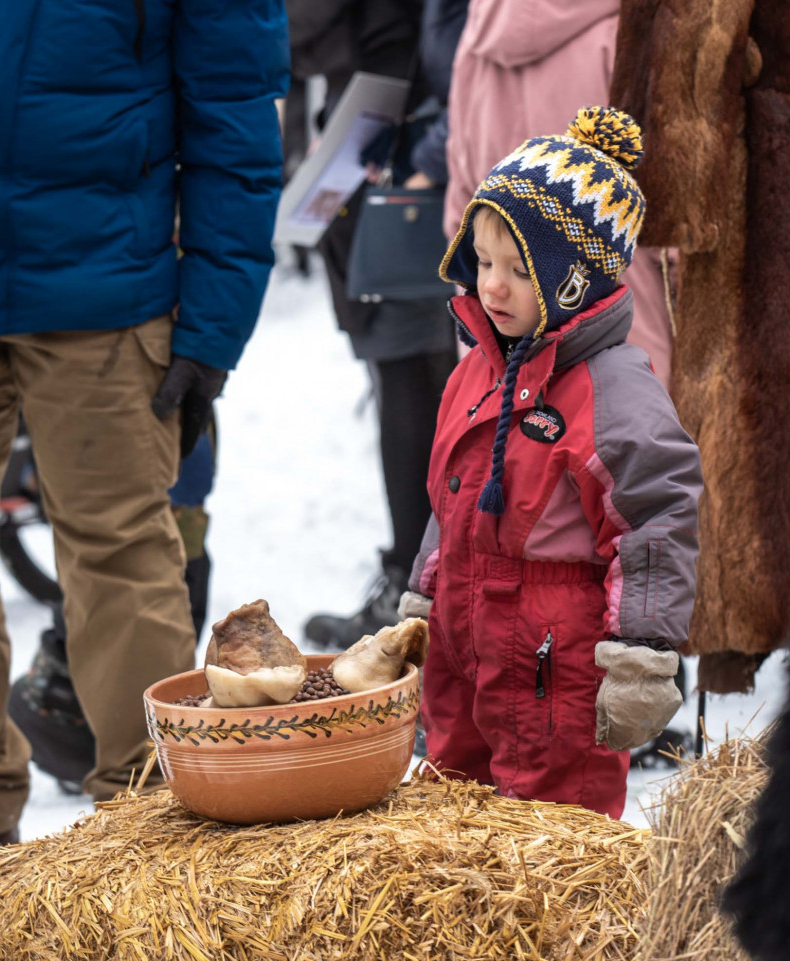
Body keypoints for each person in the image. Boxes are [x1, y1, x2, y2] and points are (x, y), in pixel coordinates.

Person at [0, 0, 289, 932]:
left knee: (121, 559)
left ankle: (144, 827)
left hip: (107, 291)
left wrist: (214, 326)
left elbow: (235, 111)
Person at [407, 108, 702, 817]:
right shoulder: (476, 372)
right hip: (464, 648)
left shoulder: (612, 389)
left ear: (574, 279)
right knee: (453, 816)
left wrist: (640, 651)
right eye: (481, 263)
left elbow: (656, 514)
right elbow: (450, 502)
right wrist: (423, 599)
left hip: (555, 668)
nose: (492, 287)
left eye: (519, 268)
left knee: (552, 836)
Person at [290, 0, 461, 650]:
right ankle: (418, 595)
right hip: (395, 146)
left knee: (416, 370)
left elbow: (293, 28)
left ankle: (421, 604)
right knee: (413, 372)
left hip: (411, 157)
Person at [446, 0, 675, 387]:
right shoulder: (631, 33)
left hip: (499, 317)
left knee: (509, 439)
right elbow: (667, 195)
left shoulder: (479, 31)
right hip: (617, 318)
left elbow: (461, 195)